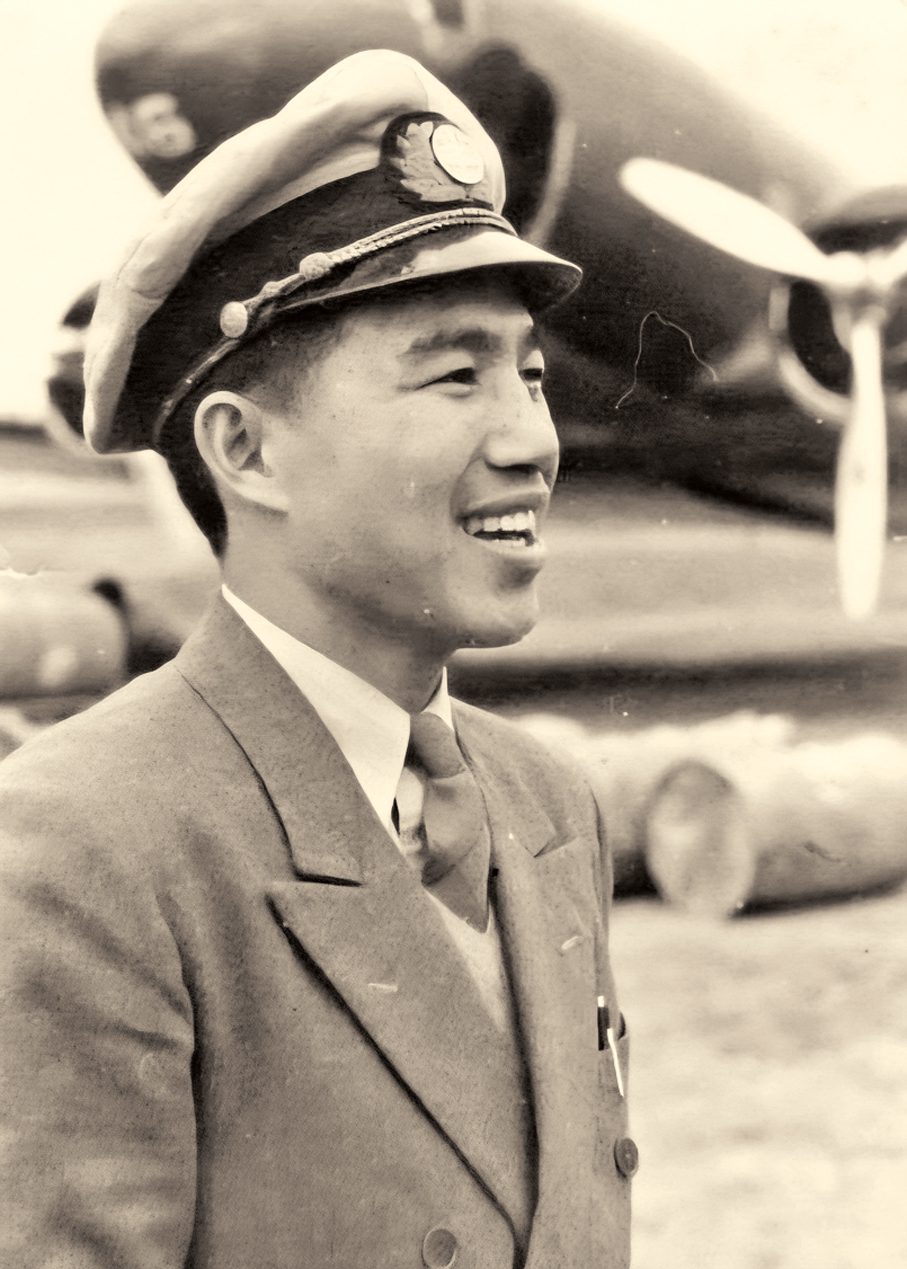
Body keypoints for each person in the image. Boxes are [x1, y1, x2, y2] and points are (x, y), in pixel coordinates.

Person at [0, 49, 634, 1269]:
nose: (532, 441)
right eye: (455, 376)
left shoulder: (547, 803)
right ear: (246, 452)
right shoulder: (78, 851)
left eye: (532, 375)